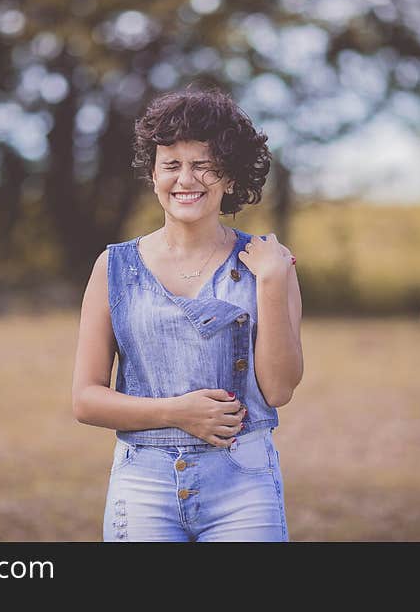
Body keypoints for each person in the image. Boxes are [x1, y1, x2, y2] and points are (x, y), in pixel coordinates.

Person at [71, 86, 303, 541]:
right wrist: (178, 412)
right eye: (171, 165)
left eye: (203, 166)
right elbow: (85, 400)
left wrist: (272, 283)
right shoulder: (114, 267)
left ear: (231, 178)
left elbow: (278, 390)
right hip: (142, 486)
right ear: (154, 176)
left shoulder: (269, 265)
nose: (185, 179)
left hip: (244, 484)